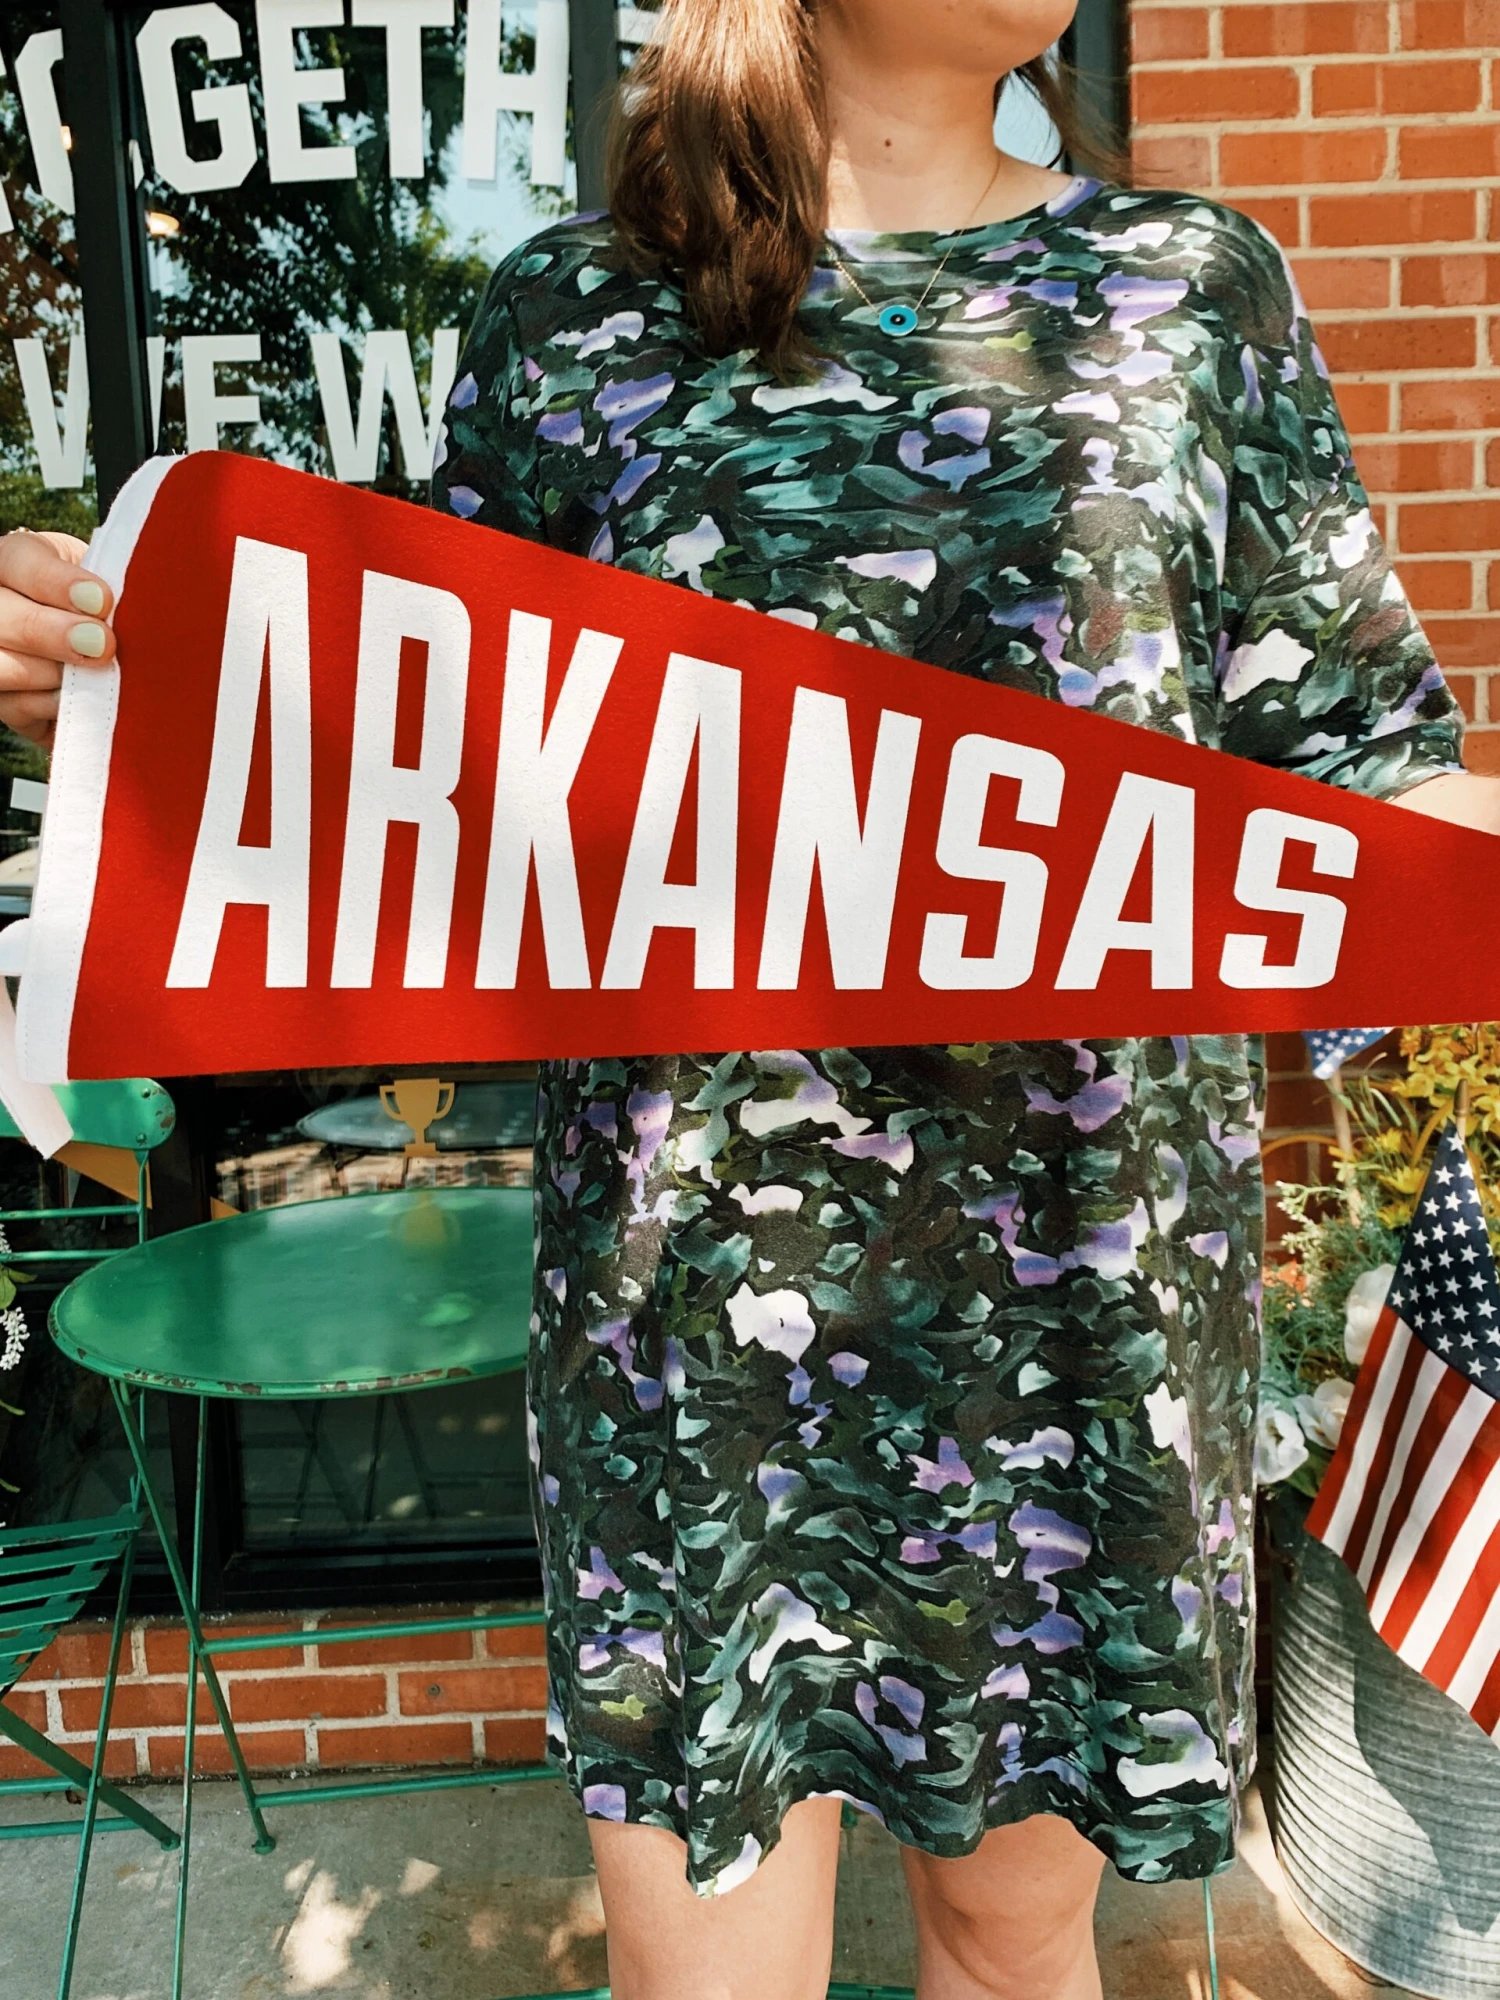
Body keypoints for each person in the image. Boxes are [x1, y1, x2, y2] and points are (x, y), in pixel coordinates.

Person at [2, 3, 1498, 1995]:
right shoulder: (570, 320)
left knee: (1015, 1946)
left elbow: (1360, 770)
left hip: (1084, 1298)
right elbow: (413, 782)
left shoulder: (1191, 290)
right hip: (691, 1316)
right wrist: (121, 700)